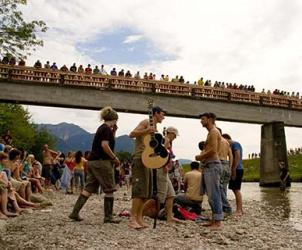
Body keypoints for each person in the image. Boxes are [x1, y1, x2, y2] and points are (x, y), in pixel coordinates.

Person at [69, 107, 121, 223]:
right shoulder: (106, 129)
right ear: (114, 119)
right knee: (109, 189)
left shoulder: (102, 128)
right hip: (102, 162)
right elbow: (105, 145)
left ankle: (74, 212)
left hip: (92, 161)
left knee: (89, 188)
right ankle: (108, 217)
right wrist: (114, 158)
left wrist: (114, 132)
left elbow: (107, 142)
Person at [128, 106, 165, 229]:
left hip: (149, 161)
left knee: (146, 192)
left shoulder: (155, 127)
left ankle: (139, 217)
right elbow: (131, 134)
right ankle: (132, 218)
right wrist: (146, 130)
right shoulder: (145, 122)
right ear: (156, 114)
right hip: (139, 158)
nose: (163, 117)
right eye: (162, 114)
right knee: (139, 191)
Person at [195, 112, 223, 230]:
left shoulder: (213, 132)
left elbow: (213, 151)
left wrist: (200, 157)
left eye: (203, 119)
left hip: (213, 165)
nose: (201, 121)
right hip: (210, 165)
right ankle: (214, 220)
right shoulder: (211, 132)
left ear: (210, 119)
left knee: (214, 194)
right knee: (211, 195)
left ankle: (218, 222)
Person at [155, 126, 180, 223]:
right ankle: (149, 214)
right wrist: (164, 165)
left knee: (171, 194)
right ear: (170, 133)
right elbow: (162, 153)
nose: (175, 137)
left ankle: (169, 216)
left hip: (165, 171)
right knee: (161, 195)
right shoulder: (165, 140)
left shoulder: (168, 141)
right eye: (175, 135)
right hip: (161, 169)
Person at [222, 133, 244, 217]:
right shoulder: (232, 146)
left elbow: (237, 155)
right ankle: (240, 209)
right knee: (235, 189)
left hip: (237, 169)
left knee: (236, 189)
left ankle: (239, 210)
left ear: (226, 138)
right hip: (236, 169)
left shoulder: (235, 144)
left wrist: (233, 169)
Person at [217, 128, 233, 214]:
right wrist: (230, 167)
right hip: (226, 165)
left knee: (218, 187)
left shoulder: (217, 140)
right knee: (224, 187)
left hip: (219, 163)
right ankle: (224, 207)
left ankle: (226, 207)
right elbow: (230, 155)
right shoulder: (227, 142)